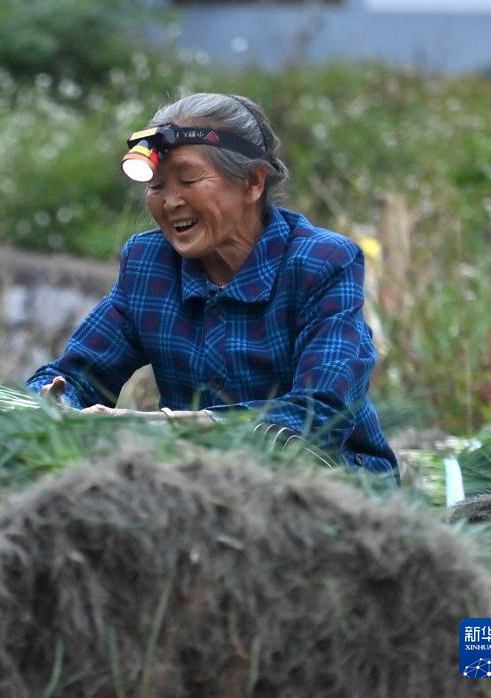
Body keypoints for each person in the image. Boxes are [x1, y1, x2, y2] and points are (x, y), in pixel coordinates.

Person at [26, 92, 398, 479]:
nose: (170, 202)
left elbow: (319, 416)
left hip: (330, 484)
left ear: (253, 183)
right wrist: (51, 404)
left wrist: (161, 426)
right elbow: (79, 373)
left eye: (188, 180)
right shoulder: (149, 265)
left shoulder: (322, 263)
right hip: (195, 481)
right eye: (156, 187)